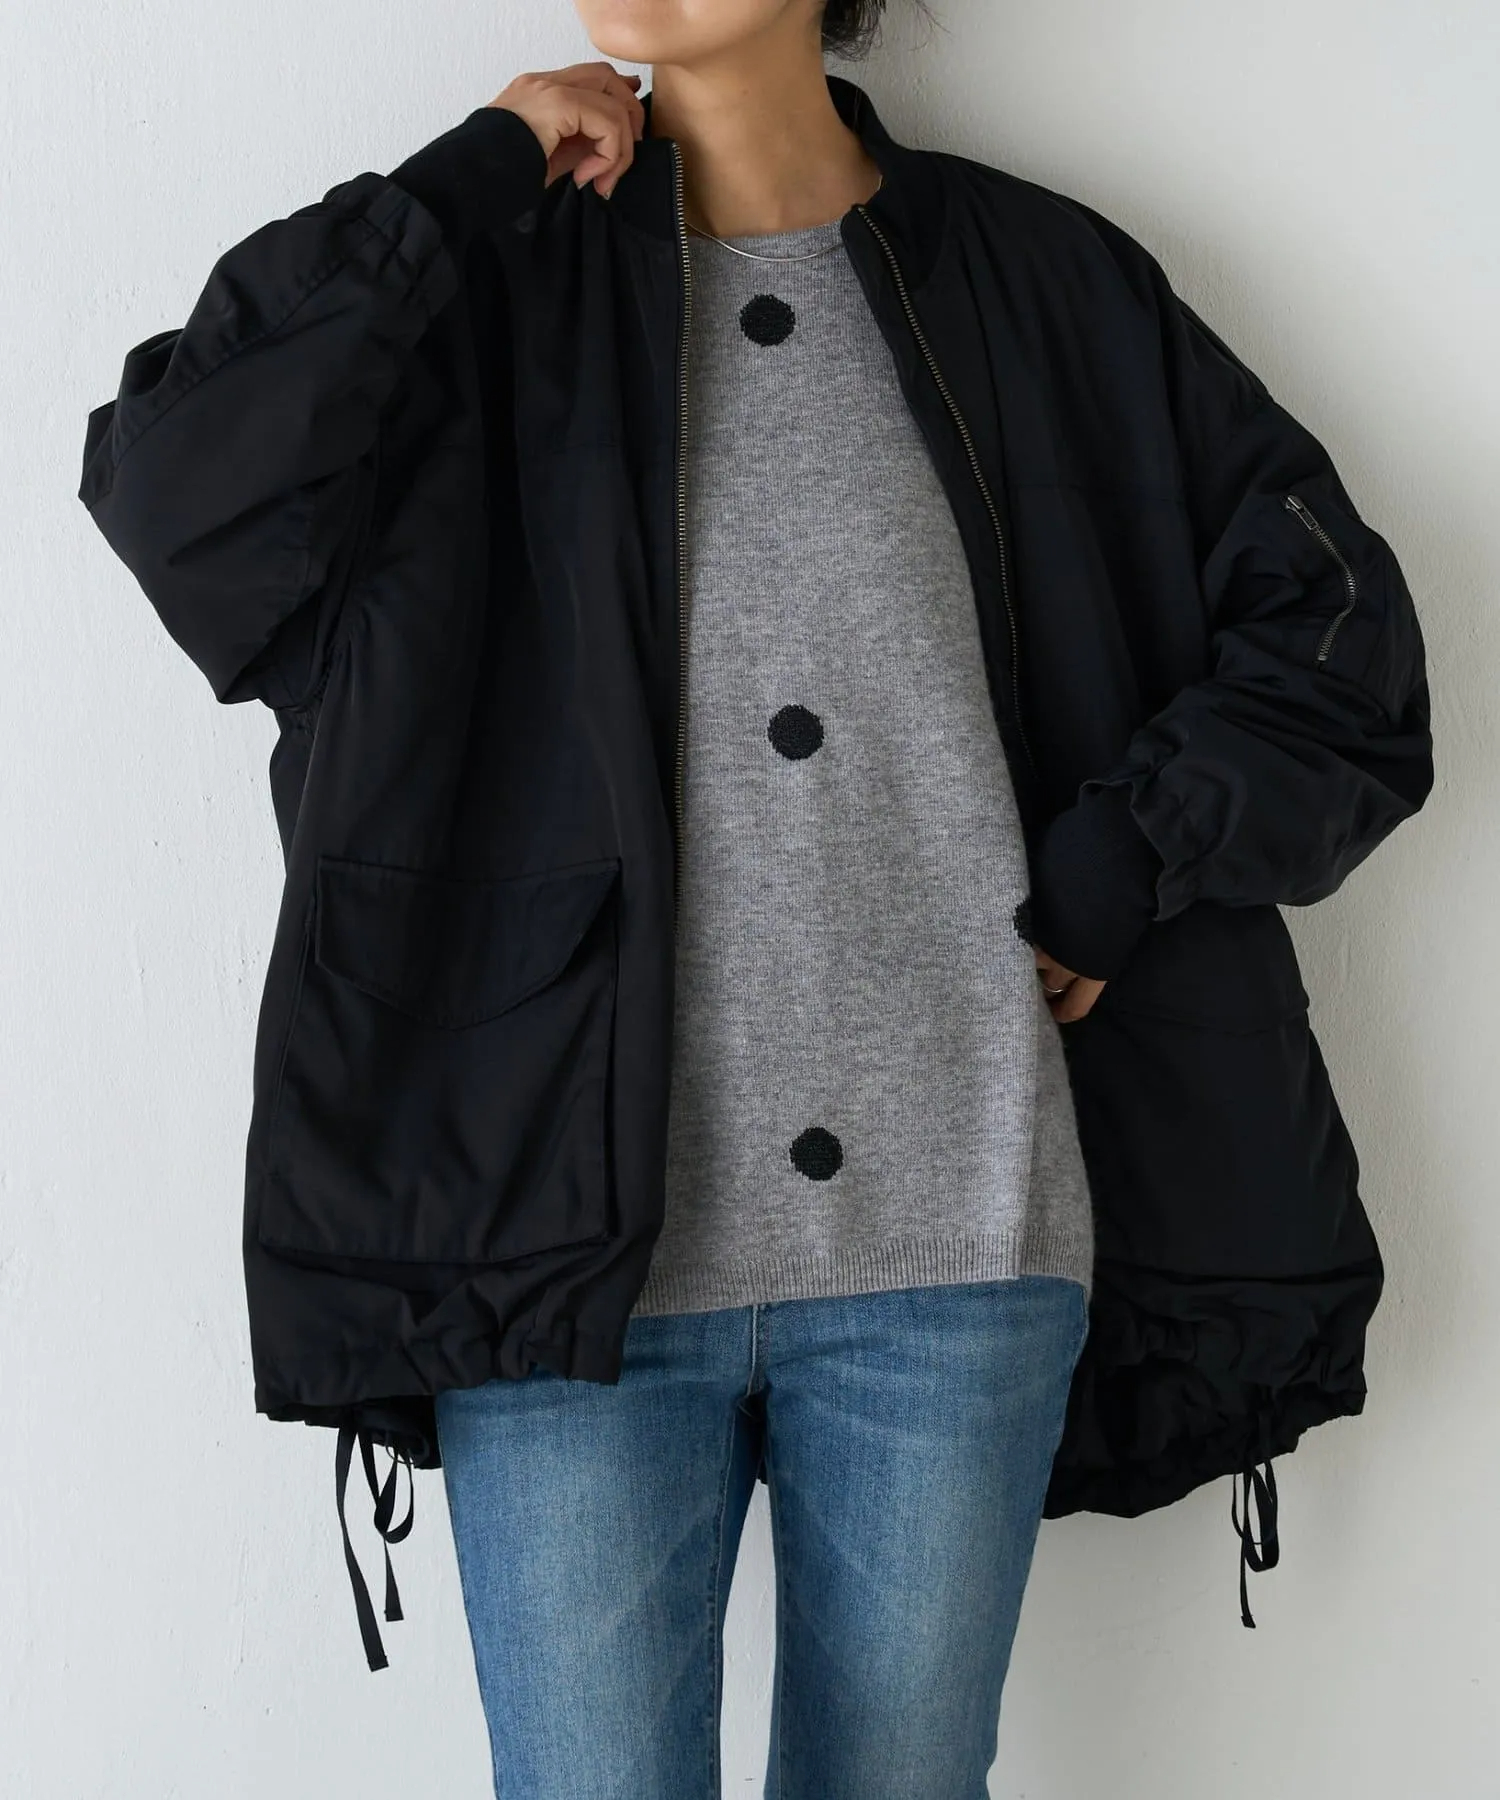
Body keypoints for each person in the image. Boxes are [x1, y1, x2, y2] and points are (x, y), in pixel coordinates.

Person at [76, 0, 1433, 1794]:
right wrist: (465, 179)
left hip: (959, 1233)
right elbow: (180, 492)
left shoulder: (1044, 285)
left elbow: (1339, 632)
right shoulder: (481, 289)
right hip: (557, 1253)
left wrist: (1123, 863)